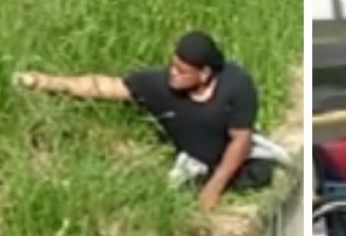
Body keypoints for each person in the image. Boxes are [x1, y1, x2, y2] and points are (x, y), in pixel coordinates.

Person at [15, 31, 289, 210]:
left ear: (204, 74)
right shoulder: (159, 85)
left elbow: (240, 140)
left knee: (257, 174)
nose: (173, 74)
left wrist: (214, 189)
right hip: (195, 161)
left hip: (231, 157)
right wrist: (46, 82)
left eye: (182, 71)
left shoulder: (237, 85)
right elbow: (106, 86)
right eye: (173, 65)